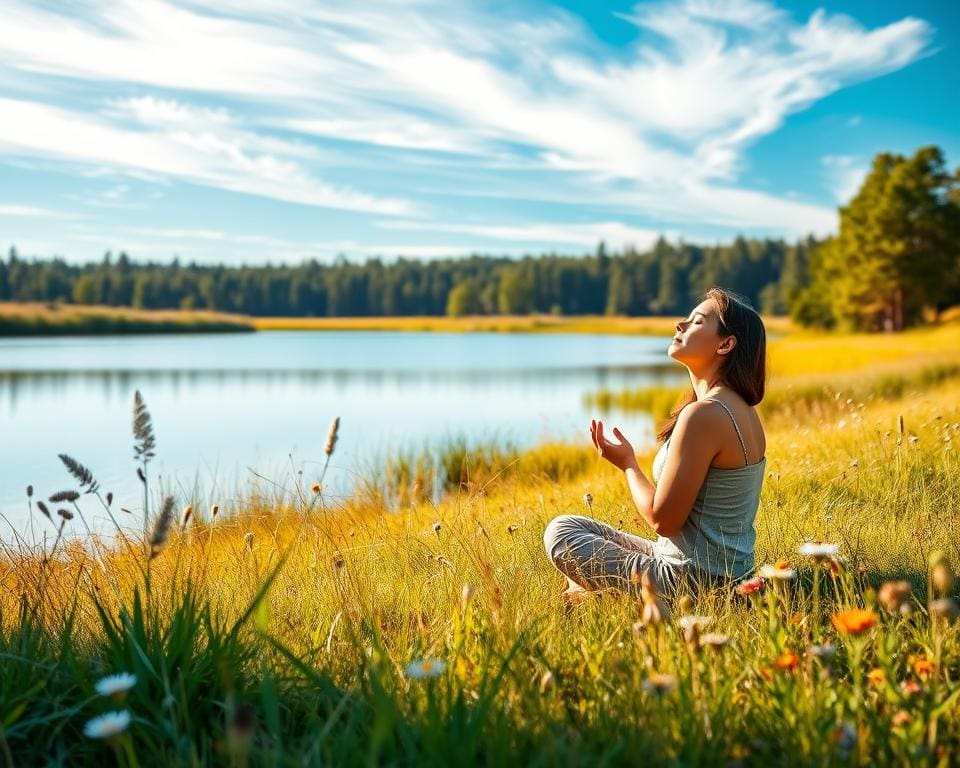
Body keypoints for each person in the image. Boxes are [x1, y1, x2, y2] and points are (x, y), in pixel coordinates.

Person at [543, 286, 767, 601]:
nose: (680, 324)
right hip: (725, 573)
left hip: (692, 581)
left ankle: (605, 598)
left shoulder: (704, 415)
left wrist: (628, 465)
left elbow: (663, 521)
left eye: (697, 322)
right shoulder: (742, 409)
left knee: (561, 534)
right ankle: (596, 595)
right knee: (573, 524)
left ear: (726, 344)